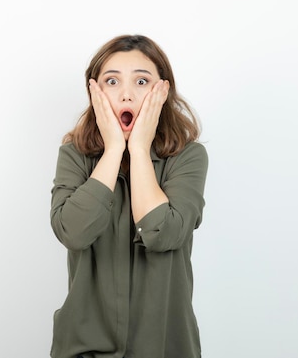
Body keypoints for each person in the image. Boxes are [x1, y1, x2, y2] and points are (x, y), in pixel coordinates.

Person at [49, 34, 208, 358]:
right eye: (111, 81)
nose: (126, 93)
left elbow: (163, 232)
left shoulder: (188, 157)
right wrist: (112, 152)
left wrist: (137, 149)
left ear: (162, 91)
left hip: (165, 347)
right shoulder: (74, 155)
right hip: (83, 348)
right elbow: (72, 231)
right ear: (96, 92)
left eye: (141, 81)